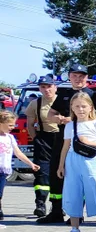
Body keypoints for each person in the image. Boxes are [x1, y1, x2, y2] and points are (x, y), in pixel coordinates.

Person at [37, 65, 96, 224]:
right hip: (62, 140)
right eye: (75, 76)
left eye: (81, 76)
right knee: (56, 175)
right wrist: (58, 119)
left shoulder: (94, 95)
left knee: (80, 178)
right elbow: (51, 113)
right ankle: (56, 211)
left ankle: (77, 214)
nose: (78, 79)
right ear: (69, 77)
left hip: (84, 144)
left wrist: (75, 120)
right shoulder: (64, 94)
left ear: (86, 78)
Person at [59, 92, 96, 232]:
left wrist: (89, 142)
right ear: (72, 108)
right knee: (73, 192)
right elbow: (65, 146)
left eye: (83, 106)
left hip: (92, 160)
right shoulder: (70, 125)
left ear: (90, 107)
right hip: (72, 161)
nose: (80, 109)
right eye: (77, 106)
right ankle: (75, 230)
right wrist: (61, 165)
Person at [24, 75, 59, 217]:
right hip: (44, 138)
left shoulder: (63, 101)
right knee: (42, 173)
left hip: (61, 138)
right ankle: (40, 204)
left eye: (49, 86)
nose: (46, 90)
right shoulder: (35, 103)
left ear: (55, 87)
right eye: (43, 87)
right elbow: (30, 125)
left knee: (59, 173)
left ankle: (57, 207)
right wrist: (36, 139)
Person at [0, 110, 40, 226]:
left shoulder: (10, 138)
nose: (13, 127)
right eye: (10, 125)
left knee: (0, 194)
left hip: (3, 170)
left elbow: (18, 153)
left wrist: (31, 164)